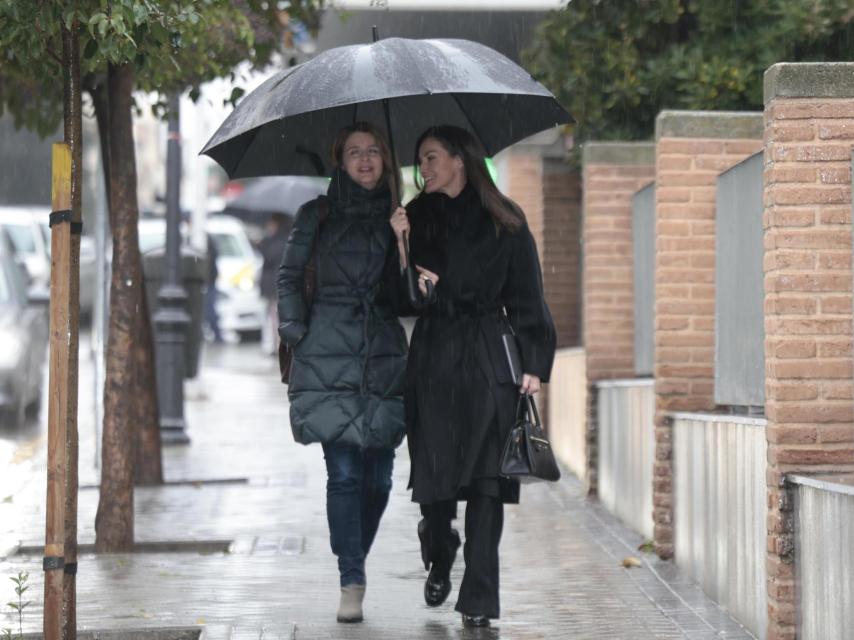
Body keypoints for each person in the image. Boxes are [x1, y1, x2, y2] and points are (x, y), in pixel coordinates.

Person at [389, 125, 556, 628]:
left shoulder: (505, 219)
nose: (426, 169)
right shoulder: (414, 217)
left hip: (488, 356)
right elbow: (401, 302)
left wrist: (533, 364)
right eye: (421, 161)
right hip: (435, 357)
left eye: (433, 157)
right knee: (437, 482)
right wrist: (400, 247)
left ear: (461, 160)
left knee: (487, 482)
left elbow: (528, 294)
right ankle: (439, 548)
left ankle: (479, 598)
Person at [276, 122, 407, 624]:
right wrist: (295, 329)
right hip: (327, 352)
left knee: (380, 478)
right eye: (355, 152)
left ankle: (355, 556)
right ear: (340, 161)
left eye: (374, 151)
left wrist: (402, 243)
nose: (366, 159)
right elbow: (289, 274)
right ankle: (350, 577)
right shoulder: (317, 214)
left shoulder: (400, 216)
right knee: (346, 473)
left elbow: (408, 296)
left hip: (382, 358)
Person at [259, 213, 291, 354]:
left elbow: (270, 257)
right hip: (283, 282)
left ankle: (278, 345)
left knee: (275, 315)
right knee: (278, 315)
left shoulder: (276, 240)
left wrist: (263, 243)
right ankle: (279, 344)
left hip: (275, 284)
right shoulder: (289, 238)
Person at [204, 232, 223, 343]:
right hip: (208, 281)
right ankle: (216, 334)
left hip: (209, 281)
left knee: (210, 310)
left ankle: (217, 335)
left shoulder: (208, 240)